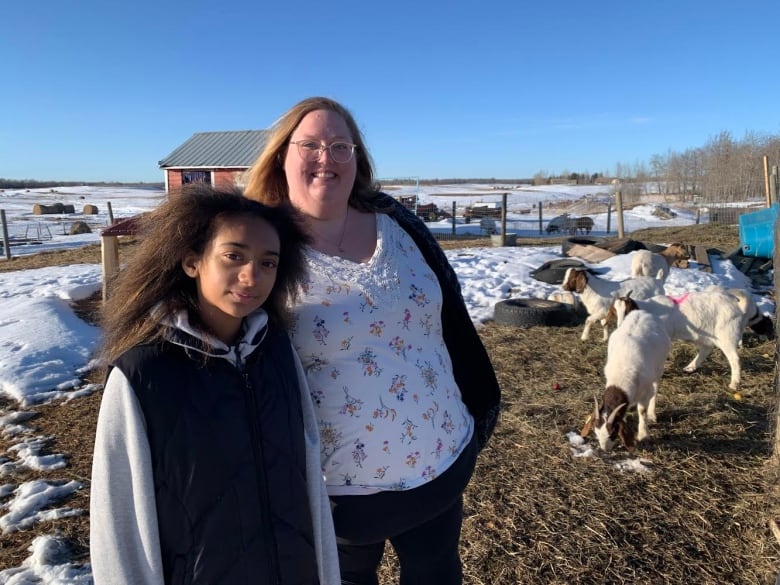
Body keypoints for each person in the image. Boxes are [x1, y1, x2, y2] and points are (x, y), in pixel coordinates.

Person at [244, 97, 501, 585]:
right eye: (311, 145)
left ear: (359, 158)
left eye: (342, 146)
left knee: (438, 573)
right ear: (282, 156)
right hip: (340, 495)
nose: (327, 157)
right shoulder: (260, 242)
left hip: (443, 462)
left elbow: (448, 318)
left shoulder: (398, 223)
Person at [89, 184, 340, 585]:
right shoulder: (143, 374)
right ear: (192, 261)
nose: (251, 276)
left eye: (268, 263)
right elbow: (119, 523)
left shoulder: (277, 351)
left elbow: (308, 476)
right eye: (234, 256)